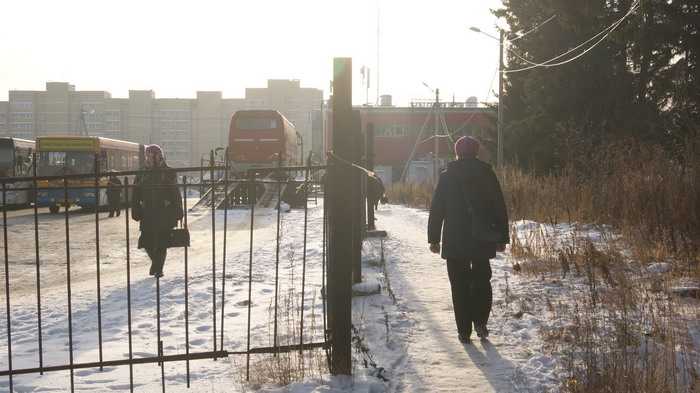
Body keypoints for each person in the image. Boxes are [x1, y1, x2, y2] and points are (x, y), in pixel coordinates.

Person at [427, 136, 509, 344]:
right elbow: (499, 205)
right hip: (481, 237)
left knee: (459, 285)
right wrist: (502, 237)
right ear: (477, 152)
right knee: (482, 280)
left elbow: (437, 209)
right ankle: (480, 321)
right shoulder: (486, 173)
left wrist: (434, 238)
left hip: (455, 239)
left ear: (457, 153)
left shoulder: (447, 176)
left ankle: (464, 331)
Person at [132, 144, 183, 278]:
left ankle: (158, 269)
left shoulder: (168, 172)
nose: (152, 158)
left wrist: (178, 210)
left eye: (154, 155)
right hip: (147, 212)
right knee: (146, 242)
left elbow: (175, 193)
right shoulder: (142, 173)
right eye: (149, 155)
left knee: (162, 242)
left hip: (165, 212)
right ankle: (156, 264)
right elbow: (135, 194)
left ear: (160, 156)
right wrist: (135, 210)